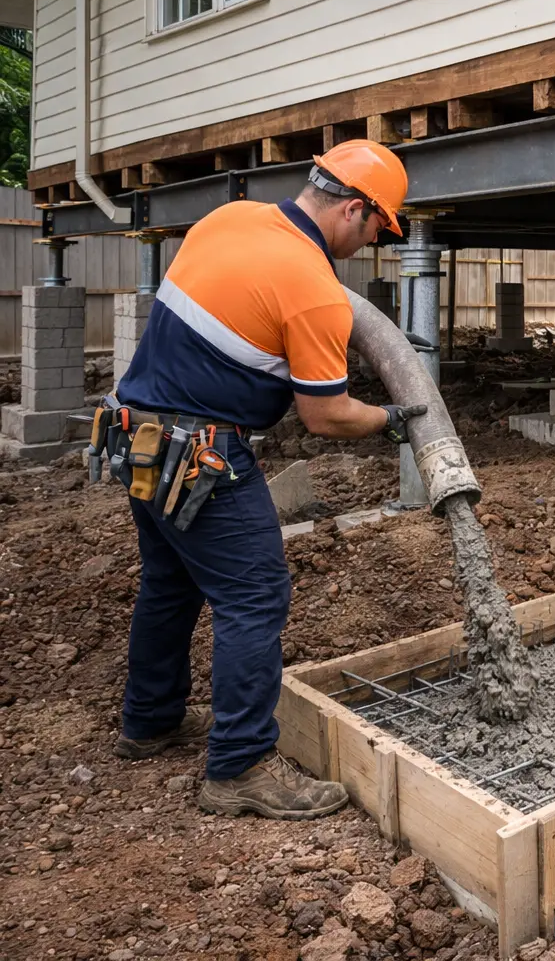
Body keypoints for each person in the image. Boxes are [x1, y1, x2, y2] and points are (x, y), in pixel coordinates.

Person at [109, 140, 427, 819]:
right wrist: (390, 419)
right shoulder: (314, 290)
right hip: (202, 457)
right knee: (255, 596)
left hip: (137, 439)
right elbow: (325, 415)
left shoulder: (228, 220)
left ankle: (150, 720)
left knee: (169, 582)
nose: (376, 240)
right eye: (380, 225)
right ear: (353, 208)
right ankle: (240, 767)